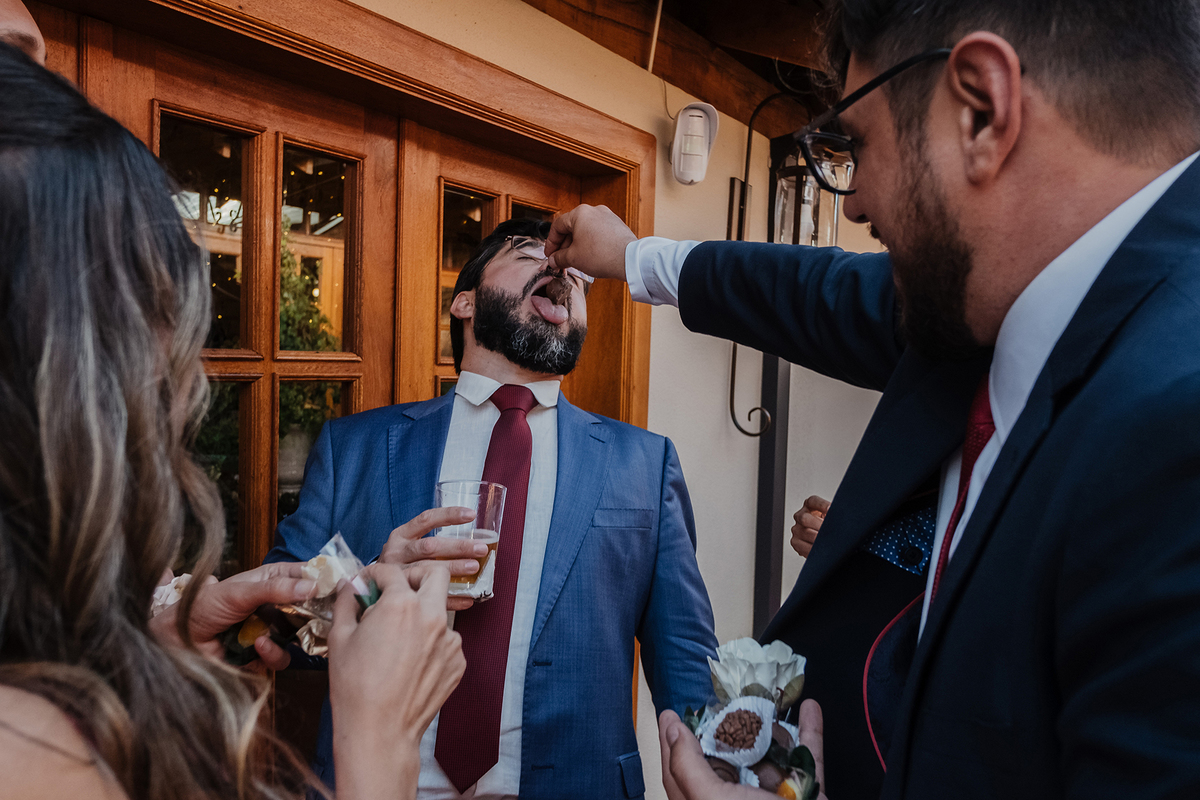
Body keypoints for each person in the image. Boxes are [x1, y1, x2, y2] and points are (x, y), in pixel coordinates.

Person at [545, 0, 1200, 797]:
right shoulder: (998, 295)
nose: (853, 203)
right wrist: (636, 259)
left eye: (855, 146)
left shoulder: (1173, 432)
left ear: (982, 111)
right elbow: (820, 295)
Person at [0, 42, 464, 800]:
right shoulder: (30, 754)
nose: (188, 392)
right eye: (152, 334)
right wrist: (380, 741)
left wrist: (164, 630)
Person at [266, 217, 719, 799]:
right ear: (465, 302)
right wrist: (370, 583)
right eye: (530, 252)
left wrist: (718, 773)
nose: (561, 268)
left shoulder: (644, 464)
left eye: (580, 275)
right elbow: (278, 625)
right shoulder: (353, 447)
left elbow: (685, 662)